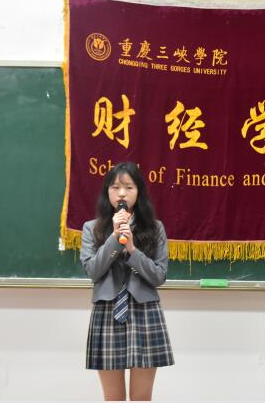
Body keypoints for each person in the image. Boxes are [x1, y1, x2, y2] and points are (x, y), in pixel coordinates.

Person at [81, 161, 174, 401]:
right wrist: (114, 238)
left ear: (138, 192)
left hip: (145, 312)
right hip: (107, 311)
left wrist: (132, 249)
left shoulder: (155, 228)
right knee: (113, 398)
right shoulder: (91, 229)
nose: (121, 193)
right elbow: (93, 271)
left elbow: (159, 276)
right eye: (115, 187)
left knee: (141, 398)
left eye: (129, 187)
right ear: (107, 192)